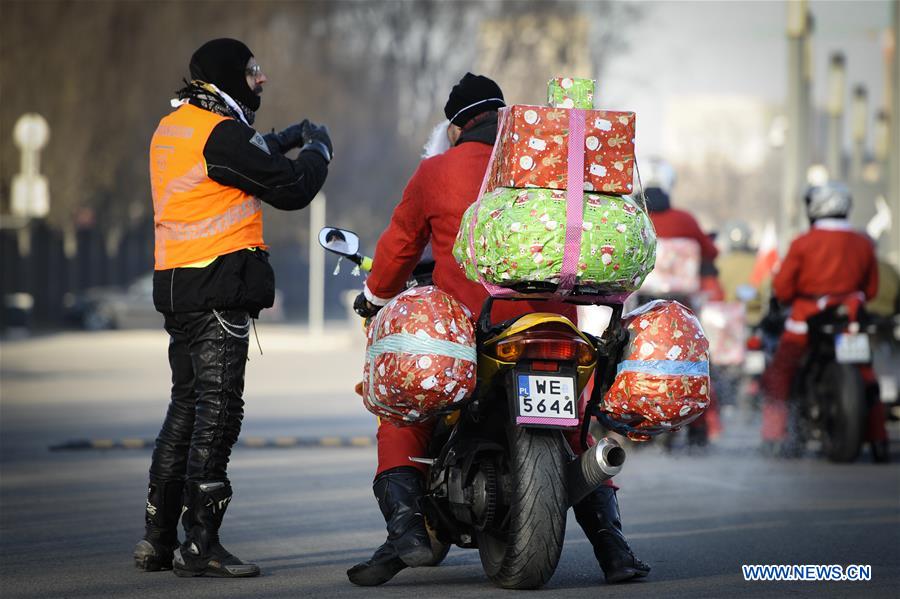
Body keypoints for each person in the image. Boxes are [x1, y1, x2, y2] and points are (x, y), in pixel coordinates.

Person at [348, 73, 649, 587]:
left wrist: (374, 298)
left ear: (457, 127)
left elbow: (400, 246)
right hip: (558, 329)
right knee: (575, 433)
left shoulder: (437, 171)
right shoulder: (550, 169)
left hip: (469, 331)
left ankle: (406, 531)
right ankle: (613, 549)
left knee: (404, 411)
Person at [134, 38, 332, 578]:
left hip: (179, 288)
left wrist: (285, 137)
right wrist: (318, 151)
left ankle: (156, 537)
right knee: (218, 416)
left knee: (185, 408)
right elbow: (289, 188)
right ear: (228, 75)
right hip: (219, 288)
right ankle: (201, 545)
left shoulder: (176, 127)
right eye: (253, 71)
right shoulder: (220, 134)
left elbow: (237, 157)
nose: (262, 79)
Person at [760, 182, 887, 459]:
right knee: (867, 375)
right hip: (851, 318)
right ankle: (879, 438)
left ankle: (775, 435)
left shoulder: (803, 242)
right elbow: (872, 289)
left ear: (815, 208)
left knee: (781, 371)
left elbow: (782, 289)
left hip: (807, 318)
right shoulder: (863, 243)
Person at [640, 161, 723, 443]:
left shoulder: (634, 215)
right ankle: (702, 426)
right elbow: (710, 251)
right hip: (682, 305)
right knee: (700, 358)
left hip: (641, 302)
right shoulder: (685, 220)